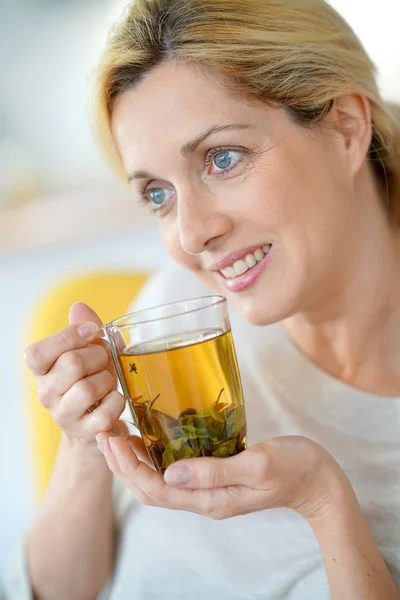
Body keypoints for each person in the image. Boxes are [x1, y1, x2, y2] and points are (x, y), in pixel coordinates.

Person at [5, 0, 400, 598]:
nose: (191, 236)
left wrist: (322, 499)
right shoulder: (184, 313)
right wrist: (87, 445)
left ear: (346, 127)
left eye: (222, 158)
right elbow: (61, 590)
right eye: (158, 194)